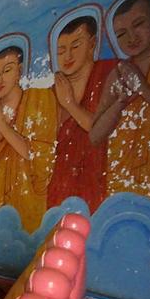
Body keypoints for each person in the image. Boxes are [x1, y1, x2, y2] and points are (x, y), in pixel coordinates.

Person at [90, 0, 150, 209]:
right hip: (127, 180)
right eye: (121, 34)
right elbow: (95, 136)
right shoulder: (118, 74)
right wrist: (120, 102)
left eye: (138, 24)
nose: (131, 37)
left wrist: (143, 88)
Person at [0, 46, 57, 232]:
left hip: (26, 203)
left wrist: (2, 125)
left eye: (6, 70)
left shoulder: (38, 99)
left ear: (20, 71)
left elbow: (35, 154)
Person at [48, 16, 116, 211]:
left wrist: (70, 104)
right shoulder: (51, 94)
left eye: (75, 46)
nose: (67, 56)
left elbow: (101, 130)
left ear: (92, 44)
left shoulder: (108, 75)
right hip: (59, 185)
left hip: (99, 177)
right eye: (61, 51)